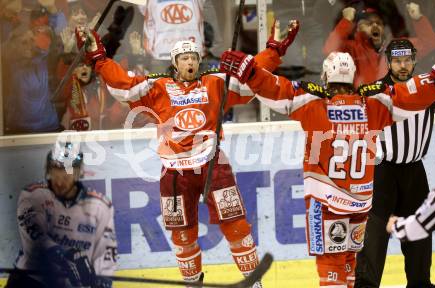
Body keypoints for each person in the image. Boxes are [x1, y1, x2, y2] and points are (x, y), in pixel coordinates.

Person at [74, 20, 298, 287]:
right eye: (184, 58)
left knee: (236, 225)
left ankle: (254, 282)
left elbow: (252, 77)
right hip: (174, 171)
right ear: (175, 62)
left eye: (193, 57)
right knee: (182, 234)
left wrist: (273, 50)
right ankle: (193, 282)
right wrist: (99, 60)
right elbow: (123, 84)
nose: (190, 62)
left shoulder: (214, 83)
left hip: (213, 167)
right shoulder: (156, 87)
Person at [219, 45, 435, 287]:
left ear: (325, 77)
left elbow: (276, 90)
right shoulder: (374, 104)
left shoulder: (313, 103)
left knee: (331, 270)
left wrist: (249, 71)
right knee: (349, 266)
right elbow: (416, 93)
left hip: (326, 206)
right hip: (359, 205)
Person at [354, 38, 435, 288]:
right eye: (397, 61)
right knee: (374, 240)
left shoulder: (430, 89)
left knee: (419, 239)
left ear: (414, 61)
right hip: (383, 173)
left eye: (407, 60)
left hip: (415, 172)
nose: (403, 65)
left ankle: (420, 283)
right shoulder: (376, 92)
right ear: (389, 63)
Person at [5, 140, 117, 288]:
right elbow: (35, 235)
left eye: (65, 178)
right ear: (48, 171)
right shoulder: (33, 195)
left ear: (78, 172)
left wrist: (104, 278)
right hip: (31, 279)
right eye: (56, 176)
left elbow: (106, 249)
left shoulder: (100, 206)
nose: (59, 183)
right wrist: (61, 254)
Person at [323, 3, 435, 87]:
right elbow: (330, 49)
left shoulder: (397, 46)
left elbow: (429, 43)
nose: (374, 25)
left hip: (393, 107)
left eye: (378, 23)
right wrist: (346, 21)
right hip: (364, 107)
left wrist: (418, 19)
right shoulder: (351, 48)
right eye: (368, 23)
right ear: (357, 29)